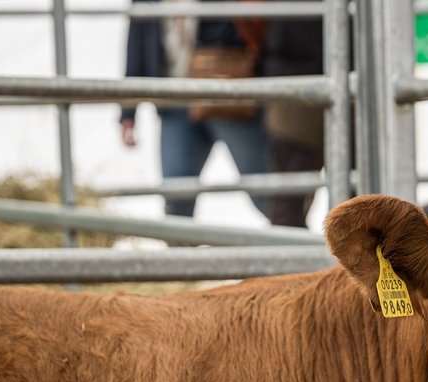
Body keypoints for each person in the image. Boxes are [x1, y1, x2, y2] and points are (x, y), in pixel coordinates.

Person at [121, 0, 268, 218]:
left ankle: (297, 246)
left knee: (267, 192)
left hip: (227, 94)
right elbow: (138, 41)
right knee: (176, 198)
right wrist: (128, 110)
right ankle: (181, 250)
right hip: (175, 99)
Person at [261, 11, 324, 227]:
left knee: (362, 202)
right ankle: (291, 258)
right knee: (289, 201)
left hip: (294, 75)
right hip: (294, 79)